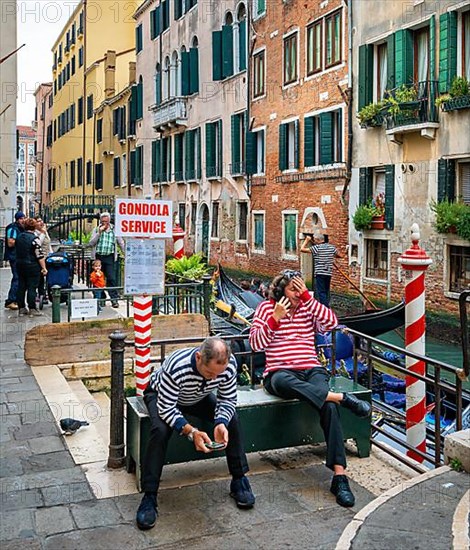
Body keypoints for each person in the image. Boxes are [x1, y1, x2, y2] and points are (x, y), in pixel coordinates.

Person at [249, 270, 371, 508]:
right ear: (280, 292)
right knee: (285, 382)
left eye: (300, 289)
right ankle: (341, 398)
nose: (298, 293)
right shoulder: (266, 309)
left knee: (328, 406)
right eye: (293, 290)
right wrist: (275, 318)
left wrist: (308, 299)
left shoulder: (308, 307)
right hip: (279, 372)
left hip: (311, 369)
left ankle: (339, 476)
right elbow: (256, 344)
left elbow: (332, 324)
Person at [136, 337, 255, 531]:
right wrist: (191, 432)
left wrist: (220, 423)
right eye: (209, 373)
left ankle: (239, 478)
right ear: (199, 357)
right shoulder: (177, 366)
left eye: (218, 374)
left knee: (231, 419)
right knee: (160, 430)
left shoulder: (228, 364)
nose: (214, 379)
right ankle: (149, 496)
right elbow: (166, 409)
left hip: (196, 397)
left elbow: (227, 399)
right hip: (162, 397)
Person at [89, 212, 124, 308]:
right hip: (98, 257)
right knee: (98, 279)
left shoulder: (114, 230)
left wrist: (126, 254)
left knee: (111, 278)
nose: (104, 223)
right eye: (102, 221)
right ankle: (101, 298)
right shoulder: (96, 230)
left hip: (110, 256)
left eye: (106, 221)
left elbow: (121, 243)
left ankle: (114, 299)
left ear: (109, 221)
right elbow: (91, 243)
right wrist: (99, 233)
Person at [15, 218, 47, 317]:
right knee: (32, 287)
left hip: (20, 264)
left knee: (21, 286)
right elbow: (39, 255)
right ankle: (32, 308)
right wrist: (44, 268)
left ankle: (21, 308)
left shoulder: (19, 237)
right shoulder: (34, 239)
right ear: (34, 227)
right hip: (32, 265)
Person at [300, 233, 341, 307]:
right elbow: (340, 255)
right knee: (326, 291)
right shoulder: (331, 247)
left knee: (321, 292)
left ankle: (325, 308)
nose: (314, 241)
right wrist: (330, 256)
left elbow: (302, 249)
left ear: (318, 240)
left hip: (320, 273)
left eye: (315, 239)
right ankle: (326, 306)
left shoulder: (317, 248)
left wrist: (306, 240)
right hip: (328, 273)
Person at [3, 211, 26, 310]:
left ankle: (16, 299)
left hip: (19, 256)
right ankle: (11, 300)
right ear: (18, 219)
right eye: (21, 218)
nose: (23, 220)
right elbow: (10, 243)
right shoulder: (13, 228)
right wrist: (22, 240)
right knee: (16, 278)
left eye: (24, 218)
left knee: (19, 278)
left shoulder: (20, 228)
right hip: (14, 256)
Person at [34, 216, 52, 305]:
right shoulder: (35, 233)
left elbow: (49, 244)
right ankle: (41, 294)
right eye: (38, 221)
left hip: (48, 256)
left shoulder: (45, 231)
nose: (41, 223)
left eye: (41, 221)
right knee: (41, 277)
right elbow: (38, 244)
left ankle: (47, 293)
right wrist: (43, 233)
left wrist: (52, 254)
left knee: (48, 276)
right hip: (40, 257)